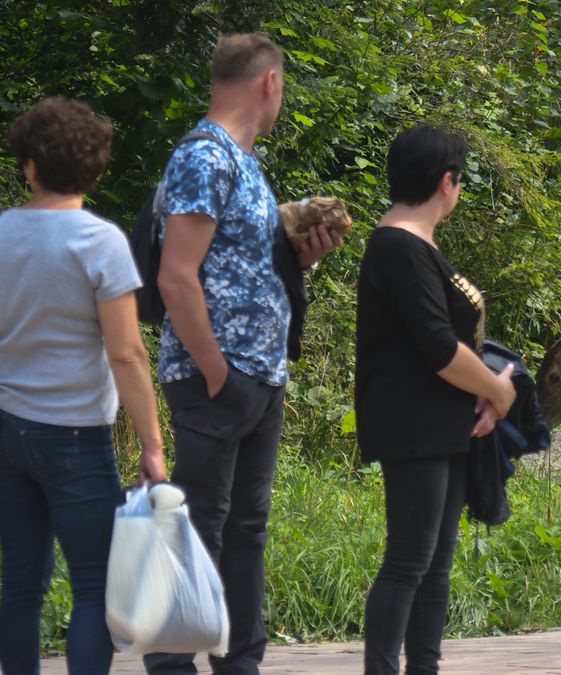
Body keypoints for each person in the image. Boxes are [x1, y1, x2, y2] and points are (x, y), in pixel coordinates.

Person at [0, 96, 167, 675]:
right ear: (94, 168)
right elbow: (126, 352)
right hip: (76, 437)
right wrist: (153, 446)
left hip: (6, 433)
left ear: (30, 165)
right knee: (93, 587)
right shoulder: (101, 241)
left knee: (20, 585)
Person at [145, 33, 340, 674]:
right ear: (269, 83)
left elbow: (240, 268)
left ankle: (239, 661)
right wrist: (215, 370)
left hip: (260, 375)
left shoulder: (246, 164)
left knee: (244, 529)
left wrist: (301, 256)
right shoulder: (205, 157)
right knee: (198, 524)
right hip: (218, 376)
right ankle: (172, 664)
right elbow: (176, 276)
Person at [356, 125, 517, 674]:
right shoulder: (397, 247)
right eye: (461, 180)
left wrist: (487, 398)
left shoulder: (420, 247)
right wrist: (497, 390)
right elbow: (439, 347)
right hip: (413, 426)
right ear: (447, 182)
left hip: (447, 425)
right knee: (408, 561)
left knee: (434, 565)